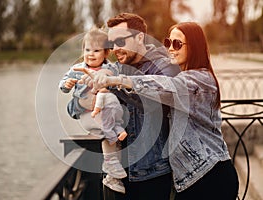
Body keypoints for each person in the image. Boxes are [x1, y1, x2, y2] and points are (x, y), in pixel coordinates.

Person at [79, 22, 239, 200]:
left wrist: (118, 80)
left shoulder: (201, 80)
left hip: (210, 176)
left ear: (194, 47)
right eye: (168, 42)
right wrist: (103, 78)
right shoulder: (179, 75)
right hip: (188, 180)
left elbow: (163, 85)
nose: (170, 48)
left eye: (177, 44)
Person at [79, 13, 181, 200]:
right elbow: (76, 108)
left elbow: (151, 105)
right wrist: (95, 83)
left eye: (120, 41)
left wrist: (113, 85)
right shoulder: (119, 66)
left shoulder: (165, 66)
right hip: (118, 177)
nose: (115, 48)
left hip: (152, 174)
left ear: (139, 37)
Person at [58, 27, 128, 194]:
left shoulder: (111, 68)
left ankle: (113, 174)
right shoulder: (78, 69)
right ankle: (111, 169)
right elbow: (64, 82)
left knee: (114, 134)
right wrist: (66, 86)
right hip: (89, 115)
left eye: (96, 50)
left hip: (106, 112)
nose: (90, 54)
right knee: (108, 133)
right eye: (87, 49)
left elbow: (119, 82)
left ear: (105, 53)